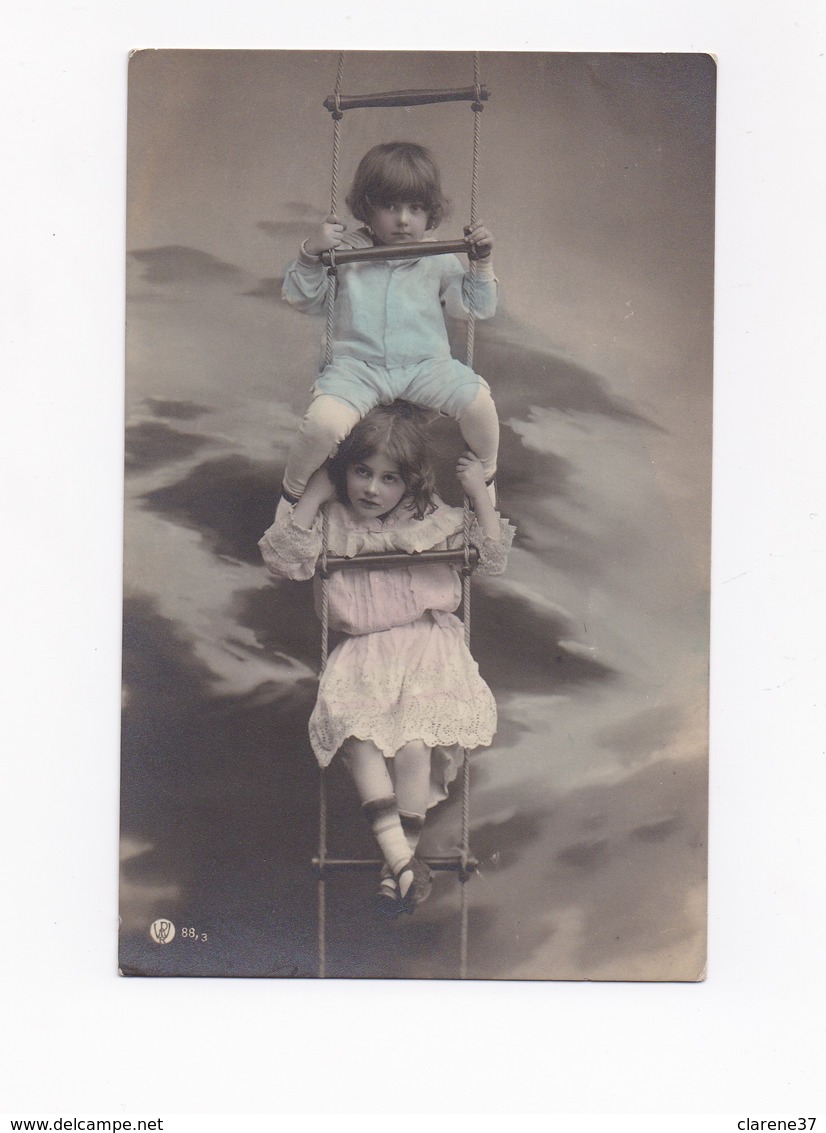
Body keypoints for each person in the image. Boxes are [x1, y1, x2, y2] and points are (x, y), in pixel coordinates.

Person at [259, 403, 514, 916]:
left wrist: (478, 495)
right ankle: (401, 864)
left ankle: (399, 862)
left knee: (415, 741)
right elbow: (284, 560)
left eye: (389, 478)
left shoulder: (431, 522)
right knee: (358, 737)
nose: (372, 489)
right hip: (365, 649)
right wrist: (316, 493)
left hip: (425, 643)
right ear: (344, 471)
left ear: (412, 483)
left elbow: (490, 558)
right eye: (361, 472)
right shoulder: (333, 521)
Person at [278, 140, 500, 512]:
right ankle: (292, 493)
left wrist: (482, 262)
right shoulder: (346, 252)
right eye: (390, 206)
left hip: (424, 366)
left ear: (430, 213)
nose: (402, 220)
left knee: (478, 401)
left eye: (415, 208)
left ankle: (487, 479)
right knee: (322, 425)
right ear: (367, 207)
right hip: (357, 369)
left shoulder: (437, 256)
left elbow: (476, 308)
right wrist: (311, 253)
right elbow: (301, 298)